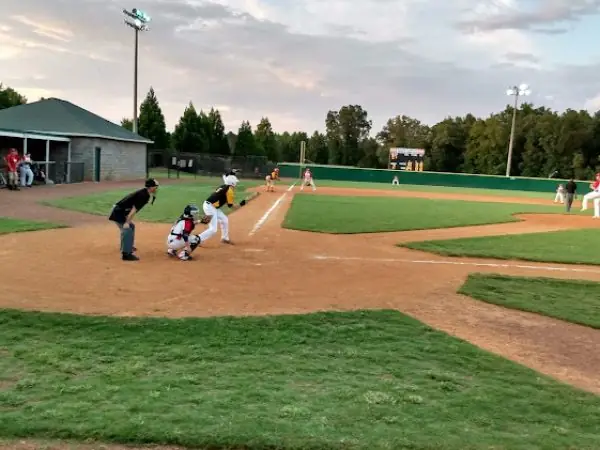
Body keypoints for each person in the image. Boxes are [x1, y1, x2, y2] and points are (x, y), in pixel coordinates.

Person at [108, 178, 159, 261]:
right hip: (118, 212)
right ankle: (126, 254)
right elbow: (134, 209)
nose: (157, 188)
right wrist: (127, 222)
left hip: (121, 211)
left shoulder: (145, 192)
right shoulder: (144, 195)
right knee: (127, 229)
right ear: (151, 187)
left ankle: (127, 246)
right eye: (156, 186)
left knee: (131, 226)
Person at [197, 174, 246, 245]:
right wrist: (241, 204)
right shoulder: (229, 191)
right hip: (210, 207)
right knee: (213, 229)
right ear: (232, 183)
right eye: (235, 182)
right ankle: (197, 239)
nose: (236, 184)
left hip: (212, 206)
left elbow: (222, 198)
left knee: (224, 220)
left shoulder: (223, 187)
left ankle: (225, 238)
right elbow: (231, 207)